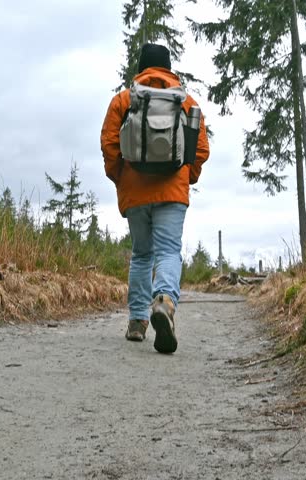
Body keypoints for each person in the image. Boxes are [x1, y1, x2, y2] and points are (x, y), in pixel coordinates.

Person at [100, 44, 210, 354]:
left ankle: (137, 322)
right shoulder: (186, 102)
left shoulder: (124, 99)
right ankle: (164, 302)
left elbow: (109, 144)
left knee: (142, 254)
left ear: (141, 67)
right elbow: (200, 150)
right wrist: (185, 178)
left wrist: (121, 176)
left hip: (135, 191)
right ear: (168, 67)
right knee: (168, 251)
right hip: (172, 191)